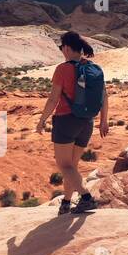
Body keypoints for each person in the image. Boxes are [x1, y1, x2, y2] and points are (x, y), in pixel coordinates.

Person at [36, 30, 108, 214]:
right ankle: (66, 203)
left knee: (64, 165)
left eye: (61, 48)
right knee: (72, 167)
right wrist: (104, 120)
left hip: (66, 121)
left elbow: (53, 99)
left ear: (67, 48)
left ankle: (86, 198)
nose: (62, 51)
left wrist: (42, 120)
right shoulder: (93, 68)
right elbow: (104, 96)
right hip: (87, 122)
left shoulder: (63, 69)